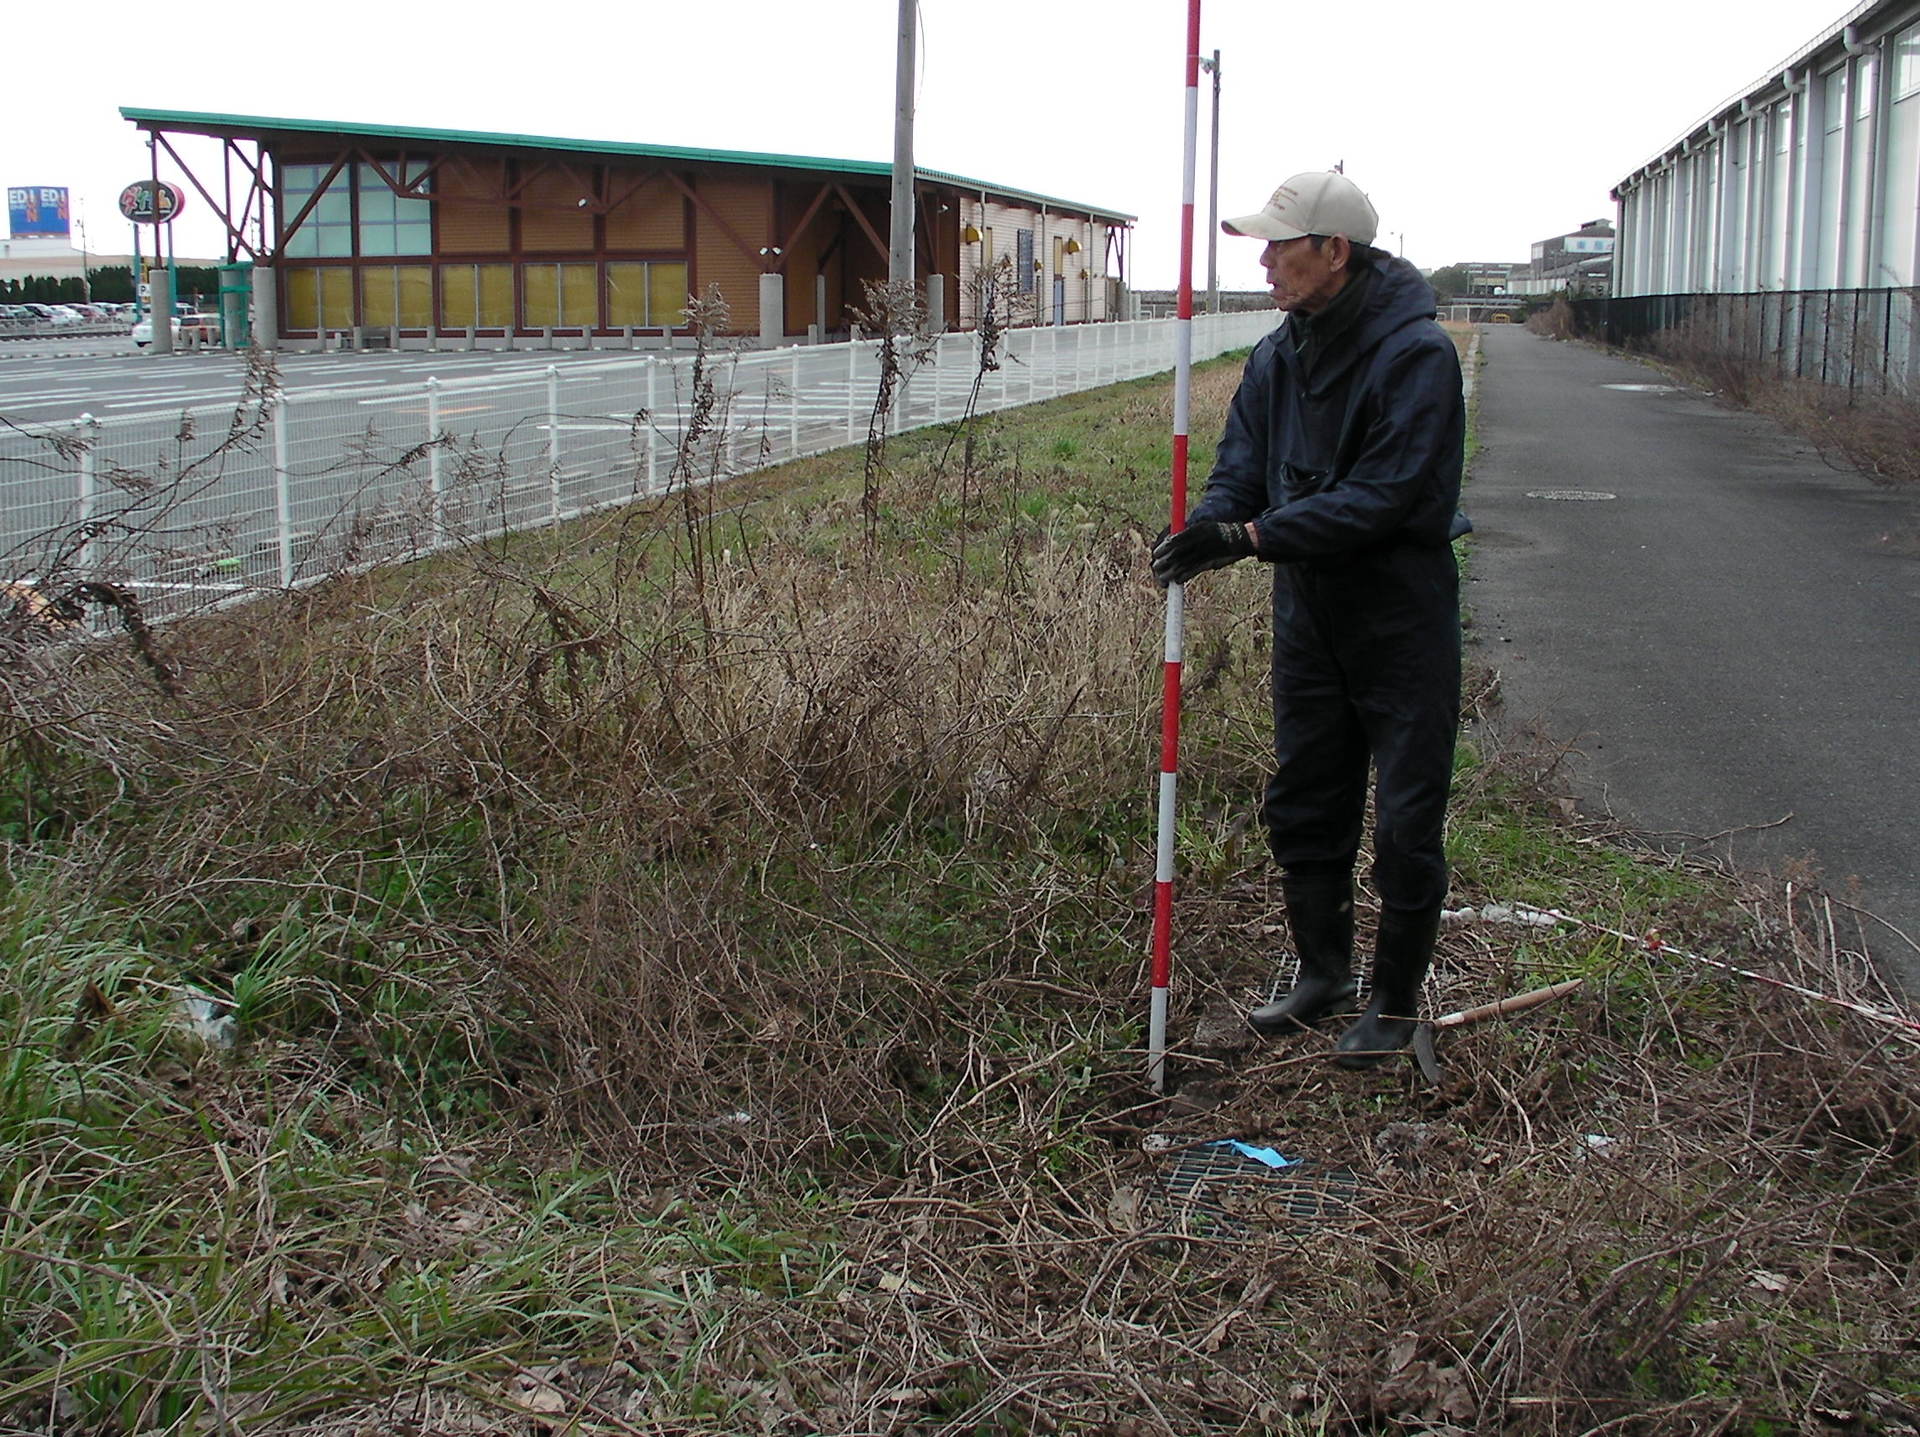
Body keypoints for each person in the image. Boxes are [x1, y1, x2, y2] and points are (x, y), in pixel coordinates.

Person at [1150, 171, 1466, 1068]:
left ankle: (1396, 1006)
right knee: (1307, 797)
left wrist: (1249, 535)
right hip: (1310, 612)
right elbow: (1240, 463)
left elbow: (1381, 498)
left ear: (1335, 251)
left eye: (1281, 245)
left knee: (1406, 817)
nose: (1264, 262)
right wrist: (1209, 524)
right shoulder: (1276, 355)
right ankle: (1322, 973)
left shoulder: (1416, 356)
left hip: (1400, 612)